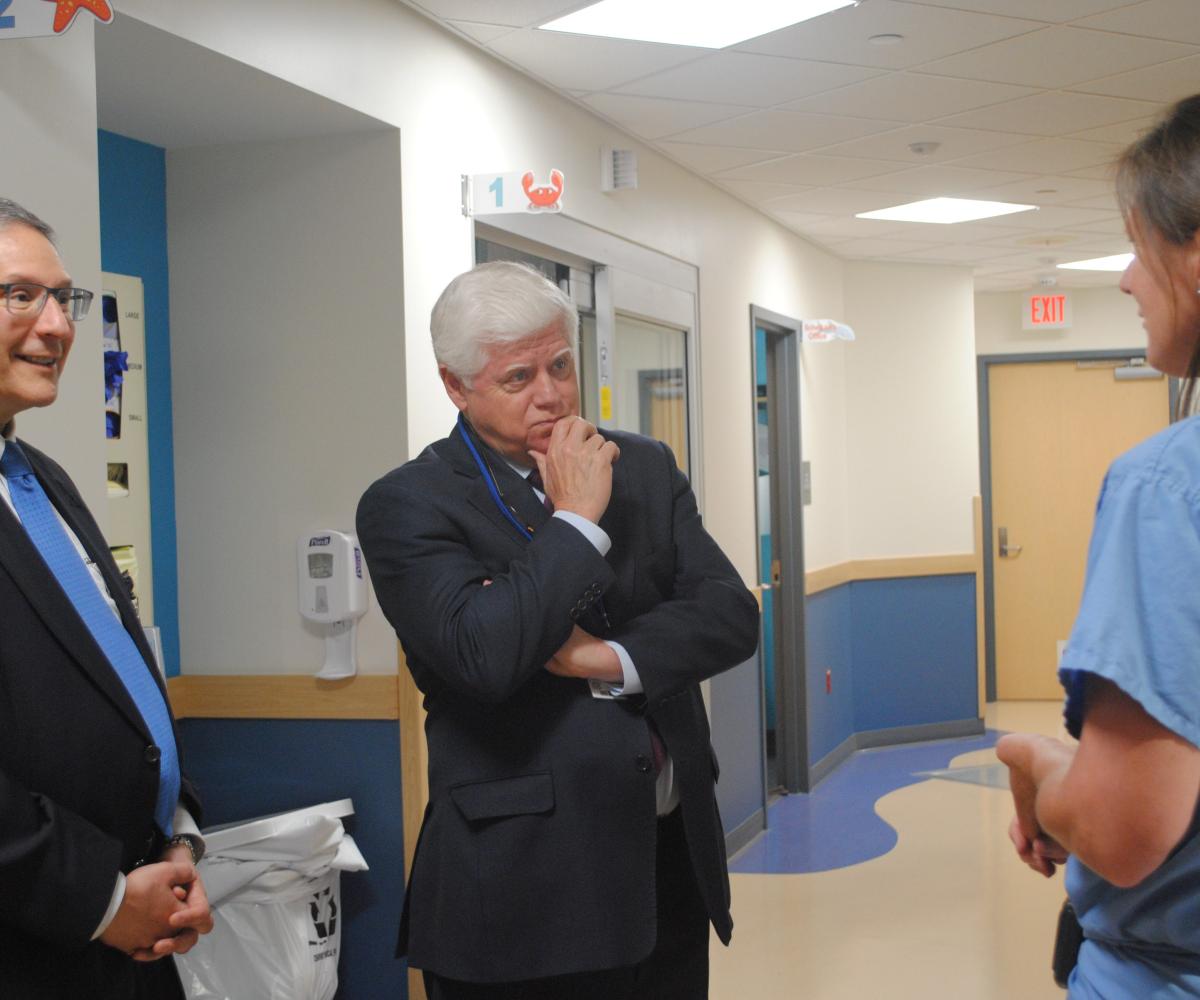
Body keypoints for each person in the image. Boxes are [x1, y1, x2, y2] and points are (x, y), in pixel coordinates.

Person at [357, 261, 759, 999]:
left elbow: (730, 614)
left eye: (561, 365)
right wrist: (575, 520)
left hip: (666, 865)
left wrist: (603, 657)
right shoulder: (408, 506)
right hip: (523, 894)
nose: (550, 394)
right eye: (518, 378)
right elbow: (483, 653)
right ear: (455, 386)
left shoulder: (639, 464)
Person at [996, 94, 1200, 998]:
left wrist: (1040, 764)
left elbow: (1124, 831)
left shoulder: (1167, 487)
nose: (1125, 278)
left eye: (1136, 244)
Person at [0, 199, 212, 998]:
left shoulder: (40, 480)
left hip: (130, 942)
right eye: (21, 295)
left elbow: (120, 689)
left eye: (65, 299)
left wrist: (179, 840)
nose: (57, 326)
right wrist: (103, 898)